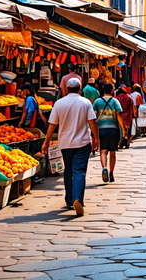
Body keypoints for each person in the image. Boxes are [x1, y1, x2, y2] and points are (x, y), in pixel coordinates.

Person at [42, 78, 99, 216]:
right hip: (83, 143)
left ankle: (69, 199)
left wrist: (46, 141)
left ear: (66, 89)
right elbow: (92, 122)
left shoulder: (59, 103)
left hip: (65, 144)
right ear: (80, 89)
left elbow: (52, 124)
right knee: (79, 171)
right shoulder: (85, 102)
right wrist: (96, 138)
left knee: (68, 170)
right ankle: (77, 198)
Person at [92, 83, 127, 183]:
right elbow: (119, 115)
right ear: (112, 90)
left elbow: (93, 116)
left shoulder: (97, 102)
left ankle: (104, 168)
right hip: (113, 129)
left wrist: (93, 132)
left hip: (101, 129)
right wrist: (123, 129)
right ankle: (111, 173)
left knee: (103, 151)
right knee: (112, 152)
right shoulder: (115, 101)